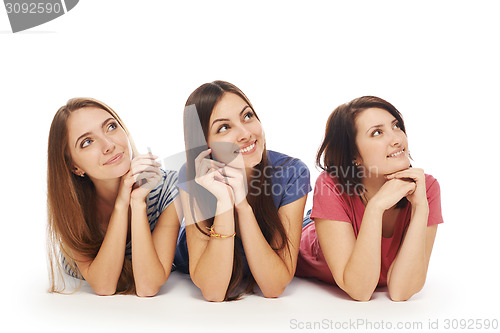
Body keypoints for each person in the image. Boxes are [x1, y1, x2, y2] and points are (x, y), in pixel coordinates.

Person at [296, 96, 443, 301]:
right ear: (353, 155)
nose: (397, 139)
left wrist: (420, 208)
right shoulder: (330, 185)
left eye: (396, 126)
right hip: (303, 237)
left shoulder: (426, 188)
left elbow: (402, 292)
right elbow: (360, 291)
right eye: (377, 132)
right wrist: (375, 208)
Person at [174, 81, 311, 301]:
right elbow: (214, 292)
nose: (245, 133)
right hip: (194, 254)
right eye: (224, 127)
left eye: (247, 116)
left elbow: (274, 287)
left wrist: (242, 205)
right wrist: (224, 202)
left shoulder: (292, 172)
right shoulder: (193, 176)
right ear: (205, 145)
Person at [47, 98, 181, 296]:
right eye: (87, 142)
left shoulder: (167, 188)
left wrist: (137, 202)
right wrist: (121, 202)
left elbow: (148, 286)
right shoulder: (71, 207)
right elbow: (104, 285)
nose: (109, 144)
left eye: (111, 127)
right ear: (74, 167)